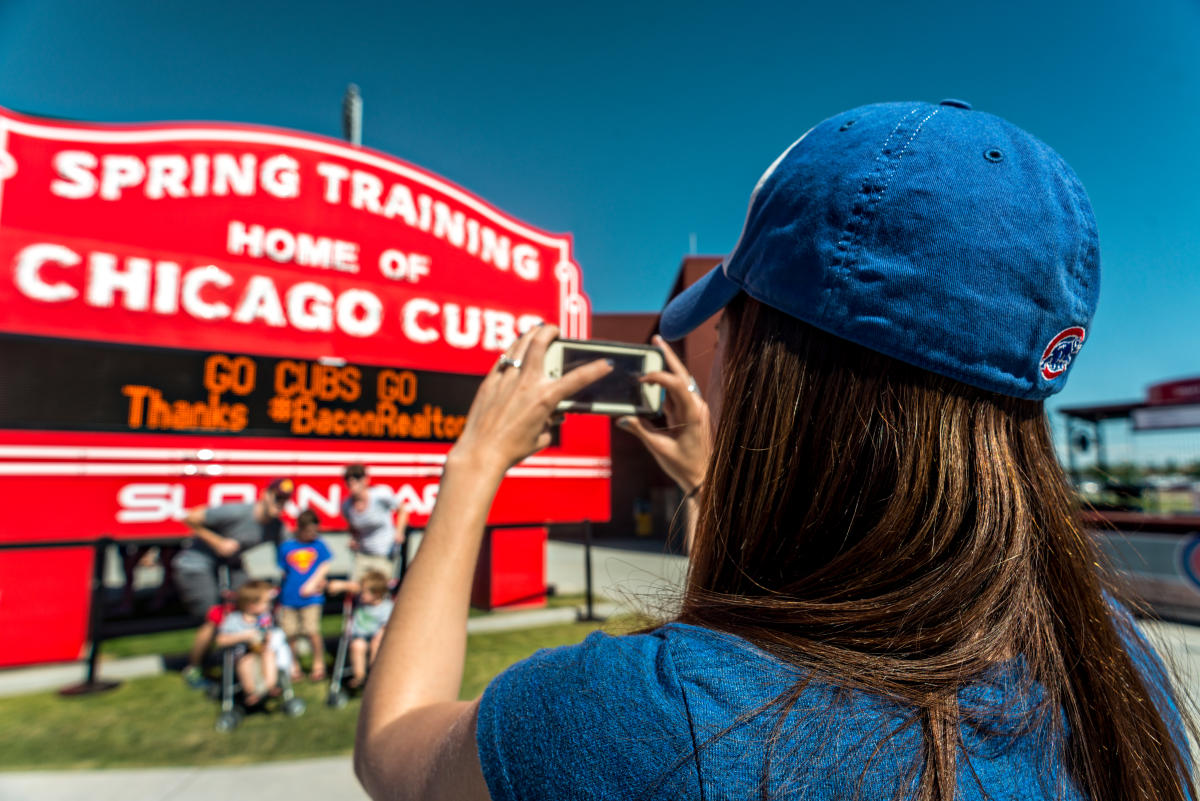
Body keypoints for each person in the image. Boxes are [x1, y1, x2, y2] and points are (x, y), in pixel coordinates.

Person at [353, 101, 1195, 801]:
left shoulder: (653, 716)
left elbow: (394, 747)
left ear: (763, 363)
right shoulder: (1113, 662)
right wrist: (708, 481)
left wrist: (472, 466)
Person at [176, 478, 292, 688]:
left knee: (254, 603)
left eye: (284, 501)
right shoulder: (238, 512)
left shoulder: (275, 526)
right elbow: (190, 518)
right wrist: (218, 542)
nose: (279, 504)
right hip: (197, 564)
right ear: (265, 495)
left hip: (231, 565)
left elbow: (289, 549)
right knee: (214, 616)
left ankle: (248, 661)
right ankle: (193, 668)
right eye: (277, 498)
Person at [277, 508, 333, 682]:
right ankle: (293, 664)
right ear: (299, 528)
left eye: (315, 530)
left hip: (312, 598)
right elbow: (284, 572)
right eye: (309, 531)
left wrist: (314, 584)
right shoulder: (287, 547)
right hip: (289, 598)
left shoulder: (319, 545)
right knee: (290, 633)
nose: (313, 534)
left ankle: (318, 664)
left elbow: (325, 565)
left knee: (312, 630)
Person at [214, 581, 278, 707]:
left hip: (261, 650)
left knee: (269, 655)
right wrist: (244, 636)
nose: (268, 606)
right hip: (242, 655)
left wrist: (266, 638)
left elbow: (268, 634)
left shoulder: (264, 618)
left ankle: (271, 686)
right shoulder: (234, 619)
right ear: (251, 605)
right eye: (264, 602)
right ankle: (251, 692)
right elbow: (220, 640)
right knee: (246, 663)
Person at [342, 463, 409, 582]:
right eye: (348, 479)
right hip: (363, 554)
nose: (352, 483)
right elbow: (353, 528)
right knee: (356, 588)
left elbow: (402, 509)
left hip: (384, 554)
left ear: (365, 480)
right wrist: (353, 540)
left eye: (357, 478)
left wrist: (399, 532)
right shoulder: (347, 506)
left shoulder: (380, 495)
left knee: (378, 591)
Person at [346, 570, 394, 690]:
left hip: (378, 638)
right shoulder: (360, 602)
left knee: (376, 643)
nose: (361, 594)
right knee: (357, 646)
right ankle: (360, 677)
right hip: (360, 636)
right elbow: (352, 587)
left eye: (364, 592)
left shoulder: (386, 607)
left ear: (376, 594)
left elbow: (385, 626)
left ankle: (374, 674)